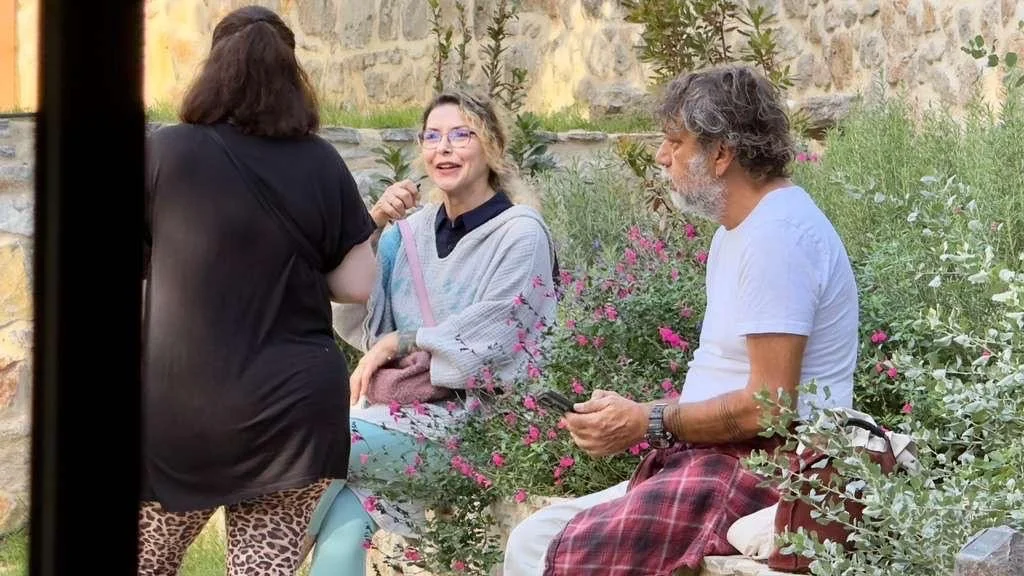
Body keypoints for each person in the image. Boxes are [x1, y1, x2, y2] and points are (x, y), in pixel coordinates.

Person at [502, 64, 860, 576]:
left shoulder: (778, 237)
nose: (661, 156)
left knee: (549, 551)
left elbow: (770, 409)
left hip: (769, 468)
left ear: (721, 154)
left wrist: (648, 420)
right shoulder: (740, 230)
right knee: (533, 539)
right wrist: (632, 416)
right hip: (717, 456)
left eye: (675, 141)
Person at [139, 6, 377, 575]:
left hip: (183, 410)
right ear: (293, 75)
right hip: (292, 414)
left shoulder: (165, 152)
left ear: (213, 69)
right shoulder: (321, 161)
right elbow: (358, 283)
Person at [306, 90, 559, 576]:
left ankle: (261, 565)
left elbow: (499, 337)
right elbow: (351, 303)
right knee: (343, 533)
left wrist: (405, 340)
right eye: (432, 136)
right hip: (394, 417)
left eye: (462, 135)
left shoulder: (521, 233)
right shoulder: (409, 232)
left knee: (313, 439)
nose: (444, 148)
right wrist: (374, 223)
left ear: (492, 147)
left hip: (477, 429)